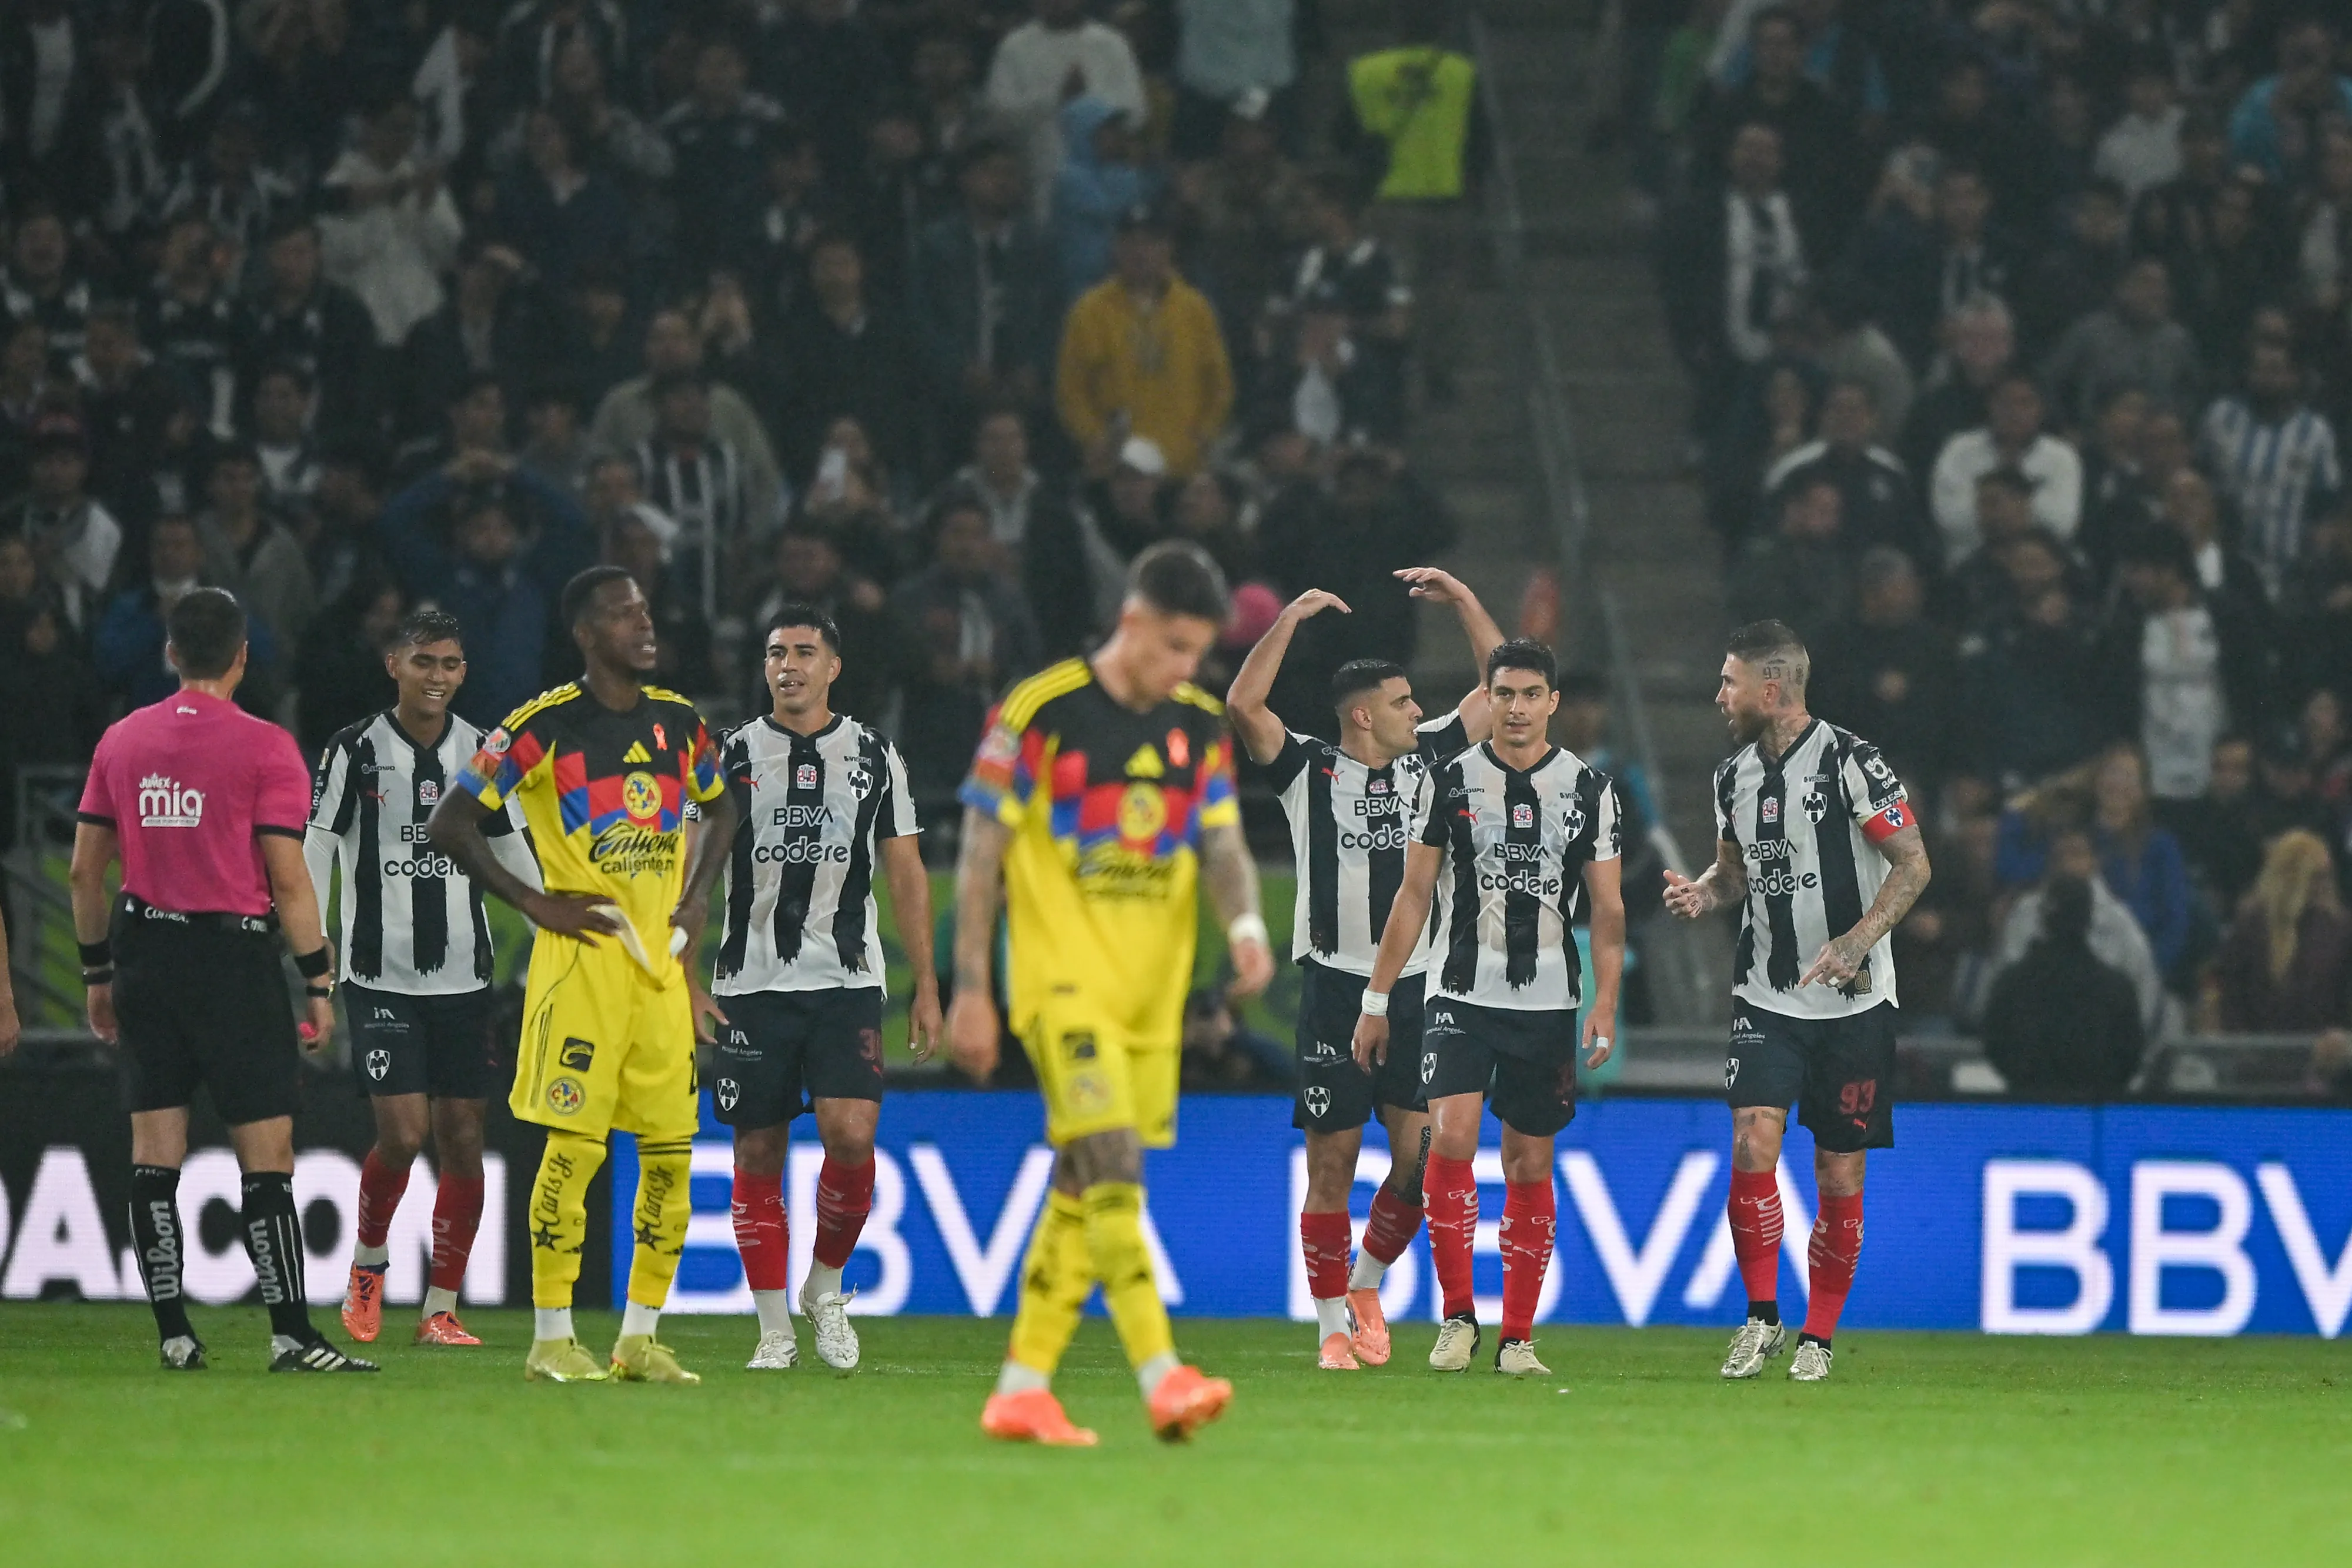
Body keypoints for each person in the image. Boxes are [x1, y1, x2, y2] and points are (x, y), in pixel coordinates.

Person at [949, 540, 1271, 1446]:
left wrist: (1245, 928)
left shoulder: (1200, 725)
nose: (1185, 668)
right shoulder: (1041, 712)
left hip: (1148, 1002)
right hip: (1062, 986)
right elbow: (980, 857)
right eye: (1173, 646)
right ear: (1130, 621)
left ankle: (1022, 1386)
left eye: (1197, 652)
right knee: (1116, 1168)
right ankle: (1161, 1373)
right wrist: (972, 988)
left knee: (1077, 1183)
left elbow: (1222, 844)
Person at [426, 566, 736, 1385]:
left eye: (645, 607)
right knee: (573, 1152)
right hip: (582, 973)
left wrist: (697, 900)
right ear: (586, 634)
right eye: (622, 613)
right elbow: (449, 823)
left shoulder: (680, 723)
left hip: (659, 979)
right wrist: (537, 900)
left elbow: (725, 804)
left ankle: (640, 1336)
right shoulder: (540, 727)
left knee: (670, 1158)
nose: (644, 621)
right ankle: (552, 1337)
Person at [69, 587, 373, 1373]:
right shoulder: (269, 748)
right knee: (266, 1153)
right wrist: (316, 979)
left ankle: (174, 1332)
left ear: (171, 653)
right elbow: (290, 878)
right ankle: (291, 1333)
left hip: (144, 955)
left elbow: (83, 871)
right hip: (234, 964)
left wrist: (98, 972)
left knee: (153, 1153)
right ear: (242, 656)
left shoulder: (121, 741)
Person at [1225, 569, 1502, 1370]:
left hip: (1419, 990)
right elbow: (1244, 706)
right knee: (1332, 1165)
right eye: (1404, 701)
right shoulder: (1308, 769)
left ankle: (1368, 1280)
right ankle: (1330, 1331)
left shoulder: (1437, 757)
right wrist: (1289, 618)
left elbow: (1498, 688)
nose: (1419, 710)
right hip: (1334, 993)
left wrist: (1466, 602)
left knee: (1423, 1163)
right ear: (1362, 715)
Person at [1662, 620, 1932, 1383]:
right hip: (1767, 993)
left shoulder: (1854, 761)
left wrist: (1856, 939)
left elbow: (1913, 865)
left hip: (1853, 1001)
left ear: (1770, 688)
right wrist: (1701, 893)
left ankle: (1819, 1332)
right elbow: (1734, 873)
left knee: (1839, 1173)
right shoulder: (1732, 777)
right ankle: (1761, 1317)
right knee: (1752, 1142)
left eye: (1729, 681)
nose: (1719, 695)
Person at [1351, 638, 1623, 1377]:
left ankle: (1519, 1338)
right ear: (1490, 700)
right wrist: (1377, 999)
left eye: (1531, 694)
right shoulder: (1447, 782)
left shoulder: (1591, 791)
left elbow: (1606, 909)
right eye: (1503, 694)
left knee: (1529, 1161)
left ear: (1552, 704)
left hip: (1546, 1003)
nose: (1516, 708)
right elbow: (1412, 895)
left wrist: (1605, 999)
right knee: (1451, 1138)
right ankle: (1458, 1318)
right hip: (1459, 991)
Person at [695, 606, 941, 1375]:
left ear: (833, 666)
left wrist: (928, 982)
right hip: (751, 981)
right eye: (776, 652)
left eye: (805, 651)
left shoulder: (874, 753)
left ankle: (825, 1287)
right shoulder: (731, 754)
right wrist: (682, 972)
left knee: (852, 1135)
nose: (788, 665)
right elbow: (693, 868)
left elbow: (904, 869)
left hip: (846, 979)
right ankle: (773, 1328)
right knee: (758, 1148)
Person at [306, 609, 544, 1350]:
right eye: (422, 663)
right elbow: (317, 850)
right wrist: (314, 962)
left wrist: (551, 930)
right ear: (393, 665)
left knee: (465, 1139)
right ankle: (368, 1268)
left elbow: (514, 850)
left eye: (448, 665)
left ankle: (440, 1308)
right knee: (403, 1135)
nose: (436, 677)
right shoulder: (353, 752)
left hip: (464, 979)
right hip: (378, 976)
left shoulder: (485, 753)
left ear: (463, 672)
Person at [1980, 875, 2146, 1098]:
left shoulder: (2013, 983)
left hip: (2028, 1109)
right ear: (2089, 918)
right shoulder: (2115, 988)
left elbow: (1995, 1044)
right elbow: (2130, 1054)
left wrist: (2025, 1080)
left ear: (2043, 916)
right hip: (2094, 1113)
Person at [2217, 829, 2352, 1034]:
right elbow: (2233, 998)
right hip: (2257, 1053)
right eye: (2316, 877)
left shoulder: (2341, 931)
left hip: (2324, 1055)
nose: (2323, 886)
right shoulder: (2250, 928)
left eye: (2326, 876)